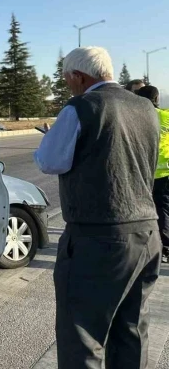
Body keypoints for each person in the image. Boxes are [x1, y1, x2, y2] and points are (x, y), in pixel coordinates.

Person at [34, 46, 160, 368]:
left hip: (98, 238)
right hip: (146, 233)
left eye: (67, 80)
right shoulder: (146, 108)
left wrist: (52, 137)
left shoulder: (82, 107)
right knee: (131, 333)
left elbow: (49, 161)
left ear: (79, 76)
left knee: (83, 339)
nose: (68, 86)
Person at [136, 85, 169, 263]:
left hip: (147, 172)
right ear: (157, 99)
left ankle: (160, 247)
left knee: (152, 210)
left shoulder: (139, 118)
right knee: (164, 208)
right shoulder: (166, 116)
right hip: (166, 170)